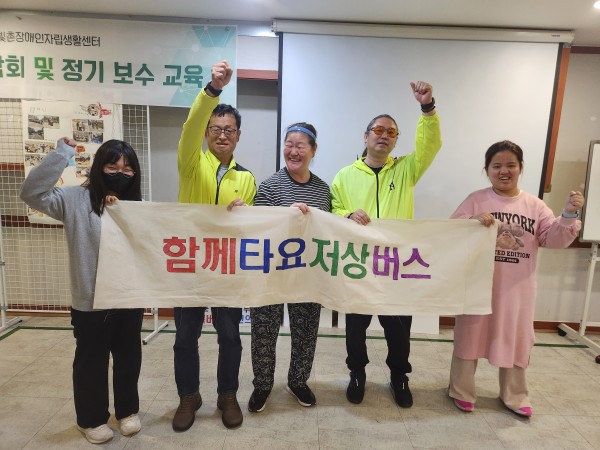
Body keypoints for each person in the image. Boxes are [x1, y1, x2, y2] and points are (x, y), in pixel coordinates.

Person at [20, 138, 144, 444]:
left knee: (129, 358)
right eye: (112, 166)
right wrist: (62, 153)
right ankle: (91, 419)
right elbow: (31, 193)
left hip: (128, 298)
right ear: (99, 167)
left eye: (127, 169)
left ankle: (127, 411)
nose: (120, 173)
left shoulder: (138, 207)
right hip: (90, 301)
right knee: (91, 361)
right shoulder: (73, 198)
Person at [448, 140, 584, 417]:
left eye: (511, 165)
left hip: (518, 289)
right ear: (487, 169)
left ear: (521, 167)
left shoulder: (535, 205)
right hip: (478, 286)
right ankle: (461, 391)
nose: (504, 171)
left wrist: (569, 214)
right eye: (496, 165)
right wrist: (472, 221)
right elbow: (451, 233)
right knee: (470, 336)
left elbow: (553, 239)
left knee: (516, 338)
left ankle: (515, 395)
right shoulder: (475, 199)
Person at [330, 81, 442, 408]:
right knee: (356, 327)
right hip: (359, 264)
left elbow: (431, 144)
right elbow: (332, 209)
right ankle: (357, 373)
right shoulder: (344, 175)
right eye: (378, 130)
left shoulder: (406, 169)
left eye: (391, 132)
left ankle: (399, 376)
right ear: (366, 136)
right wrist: (347, 213)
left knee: (398, 328)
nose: (384, 135)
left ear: (395, 140)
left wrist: (427, 108)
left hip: (396, 265)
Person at [172, 60, 256, 431]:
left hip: (226, 267)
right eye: (216, 129)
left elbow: (250, 227)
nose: (222, 135)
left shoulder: (247, 178)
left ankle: (227, 395)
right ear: (206, 133)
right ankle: (189, 396)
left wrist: (243, 215)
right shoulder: (191, 163)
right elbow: (190, 125)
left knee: (230, 337)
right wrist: (212, 91)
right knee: (184, 338)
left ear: (238, 136)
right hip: (190, 264)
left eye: (229, 130)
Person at [245, 122, 331, 413]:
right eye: (289, 145)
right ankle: (262, 385)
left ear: (313, 150)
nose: (293, 151)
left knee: (306, 332)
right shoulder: (269, 185)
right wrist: (287, 217)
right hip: (271, 274)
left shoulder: (323, 190)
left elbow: (327, 231)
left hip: (307, 275)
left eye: (300, 146)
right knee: (264, 331)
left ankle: (298, 381)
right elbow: (260, 229)